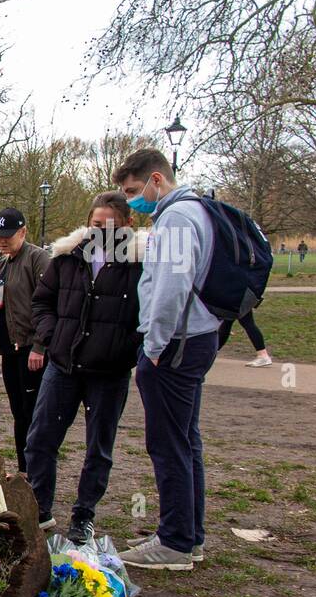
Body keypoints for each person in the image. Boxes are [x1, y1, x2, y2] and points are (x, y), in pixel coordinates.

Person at [113, 148, 220, 571]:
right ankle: (188, 535)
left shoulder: (176, 217)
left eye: (134, 191)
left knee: (169, 443)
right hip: (195, 338)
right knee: (187, 439)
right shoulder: (200, 210)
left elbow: (171, 288)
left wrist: (154, 346)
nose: (133, 200)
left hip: (174, 343)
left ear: (157, 180)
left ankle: (174, 541)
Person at [25, 191, 143, 542]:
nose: (103, 233)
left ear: (128, 224)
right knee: (41, 438)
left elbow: (149, 314)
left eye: (112, 227)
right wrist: (53, 335)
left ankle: (83, 515)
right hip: (63, 365)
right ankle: (39, 508)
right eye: (96, 226)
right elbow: (42, 302)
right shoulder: (66, 259)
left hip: (110, 372)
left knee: (99, 447)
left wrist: (127, 347)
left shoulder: (141, 264)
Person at [0, 207, 50, 474]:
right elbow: (5, 304)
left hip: (31, 349)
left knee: (33, 411)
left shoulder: (38, 259)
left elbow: (49, 305)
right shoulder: (2, 262)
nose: (2, 241)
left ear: (23, 232)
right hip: (10, 348)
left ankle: (37, 469)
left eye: (8, 236)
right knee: (18, 411)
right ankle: (25, 469)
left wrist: (40, 346)